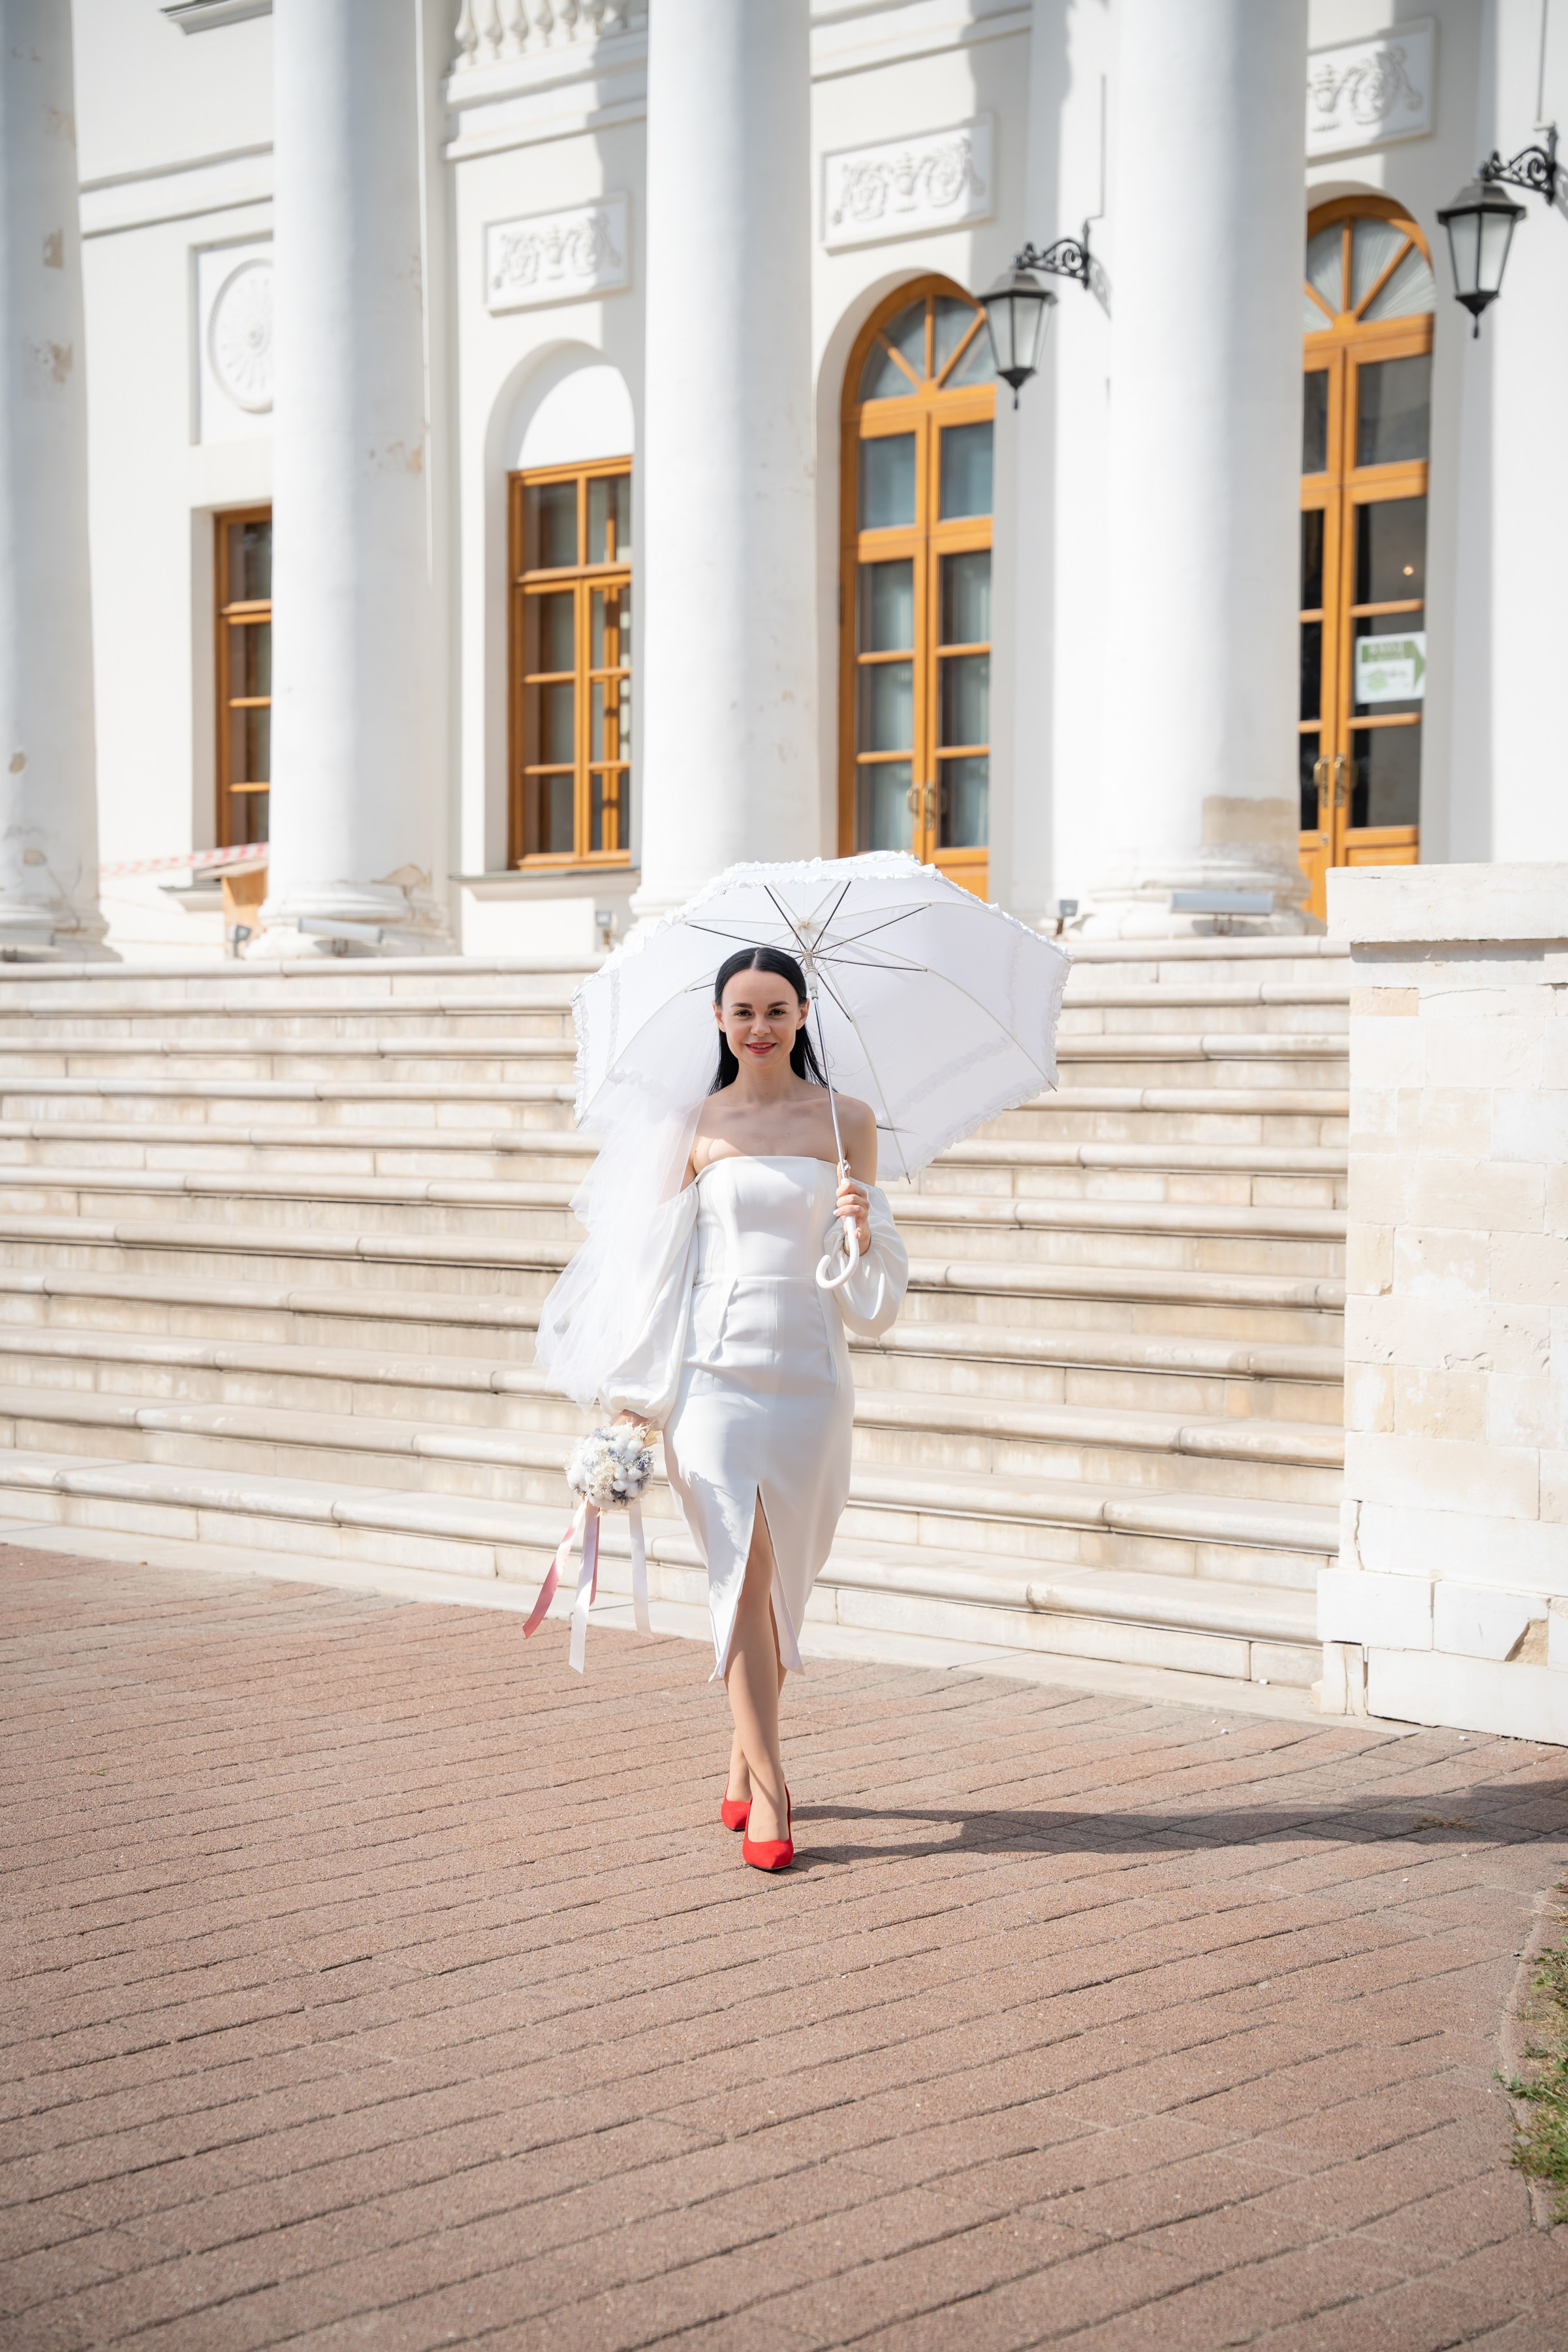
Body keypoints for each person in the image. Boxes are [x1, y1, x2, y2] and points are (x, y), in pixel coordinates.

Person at [544, 945, 908, 1873]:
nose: (760, 1026)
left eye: (776, 1009)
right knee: (741, 1574)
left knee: (782, 1581)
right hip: (712, 1379)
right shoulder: (691, 1126)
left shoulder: (848, 1122)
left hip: (811, 1383)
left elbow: (868, 1298)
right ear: (716, 1019)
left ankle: (740, 1759)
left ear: (802, 1014)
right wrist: (636, 1404)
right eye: (742, 1010)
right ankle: (775, 1781)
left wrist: (861, 1234)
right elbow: (655, 1272)